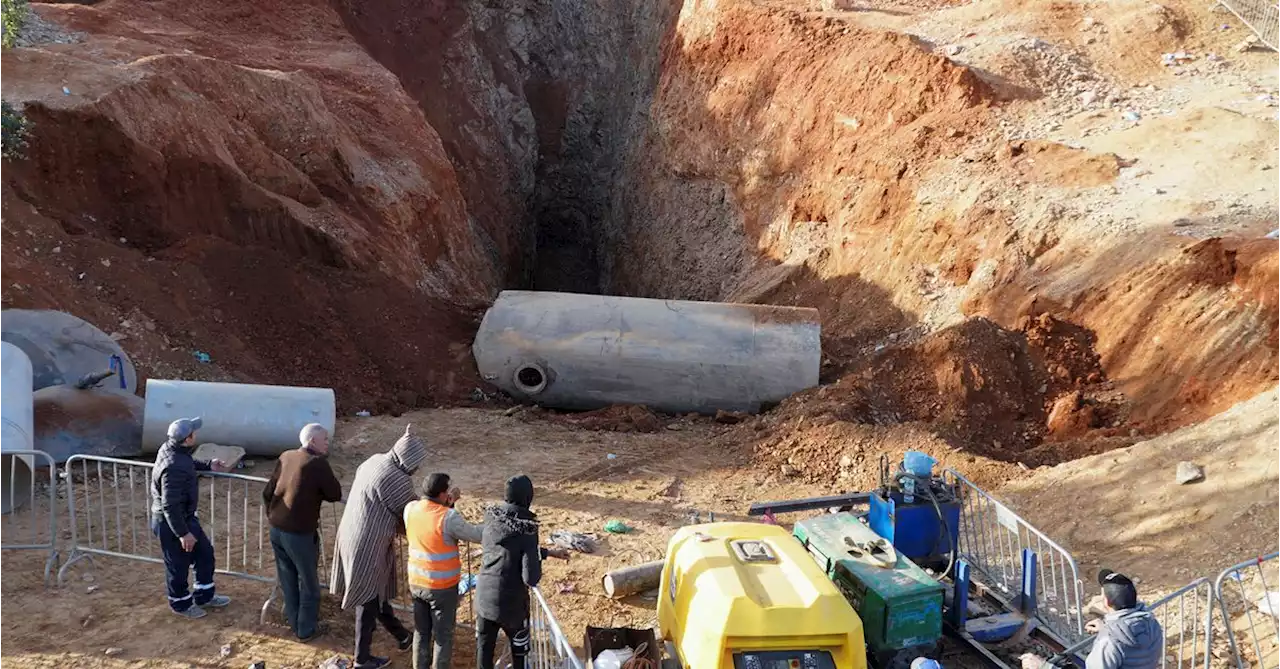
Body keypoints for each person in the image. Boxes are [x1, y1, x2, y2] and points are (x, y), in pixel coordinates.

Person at [332, 424, 429, 669]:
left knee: (377, 592)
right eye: (416, 464)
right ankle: (361, 658)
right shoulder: (396, 479)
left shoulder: (374, 461)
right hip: (367, 542)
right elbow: (413, 514)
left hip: (351, 532)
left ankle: (402, 636)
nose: (416, 469)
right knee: (368, 598)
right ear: (408, 460)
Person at [476, 475, 570, 669]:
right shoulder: (527, 528)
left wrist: (548, 552)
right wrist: (536, 558)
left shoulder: (493, 518)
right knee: (520, 656)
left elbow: (509, 549)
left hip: (484, 599)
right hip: (511, 606)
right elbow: (530, 577)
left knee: (484, 651)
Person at [262, 423, 344, 642]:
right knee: (309, 584)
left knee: (288, 578)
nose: (328, 442)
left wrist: (272, 515)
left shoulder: (286, 456)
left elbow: (267, 491)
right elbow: (335, 493)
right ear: (312, 442)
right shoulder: (317, 463)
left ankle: (294, 620)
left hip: (277, 528)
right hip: (298, 533)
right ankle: (305, 630)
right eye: (324, 439)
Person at [150, 416, 232, 619]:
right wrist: (183, 533)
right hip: (172, 523)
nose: (196, 433)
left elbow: (187, 463)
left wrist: (208, 464)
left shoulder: (175, 451)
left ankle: (204, 595)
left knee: (204, 554)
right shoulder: (173, 466)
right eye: (193, 432)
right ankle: (180, 603)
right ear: (187, 439)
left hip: (183, 518)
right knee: (177, 565)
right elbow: (169, 504)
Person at [405, 473, 483, 669]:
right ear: (441, 494)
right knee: (443, 636)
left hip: (416, 583)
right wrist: (495, 526)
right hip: (442, 588)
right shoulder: (449, 517)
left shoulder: (410, 509)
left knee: (421, 632)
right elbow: (474, 534)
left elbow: (431, 521)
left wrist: (449, 502)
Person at [1021, 569, 1163, 669]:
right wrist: (1106, 628)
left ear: (1106, 603)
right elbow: (1133, 648)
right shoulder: (1150, 622)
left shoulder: (1108, 642)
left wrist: (1044, 666)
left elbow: (1115, 644)